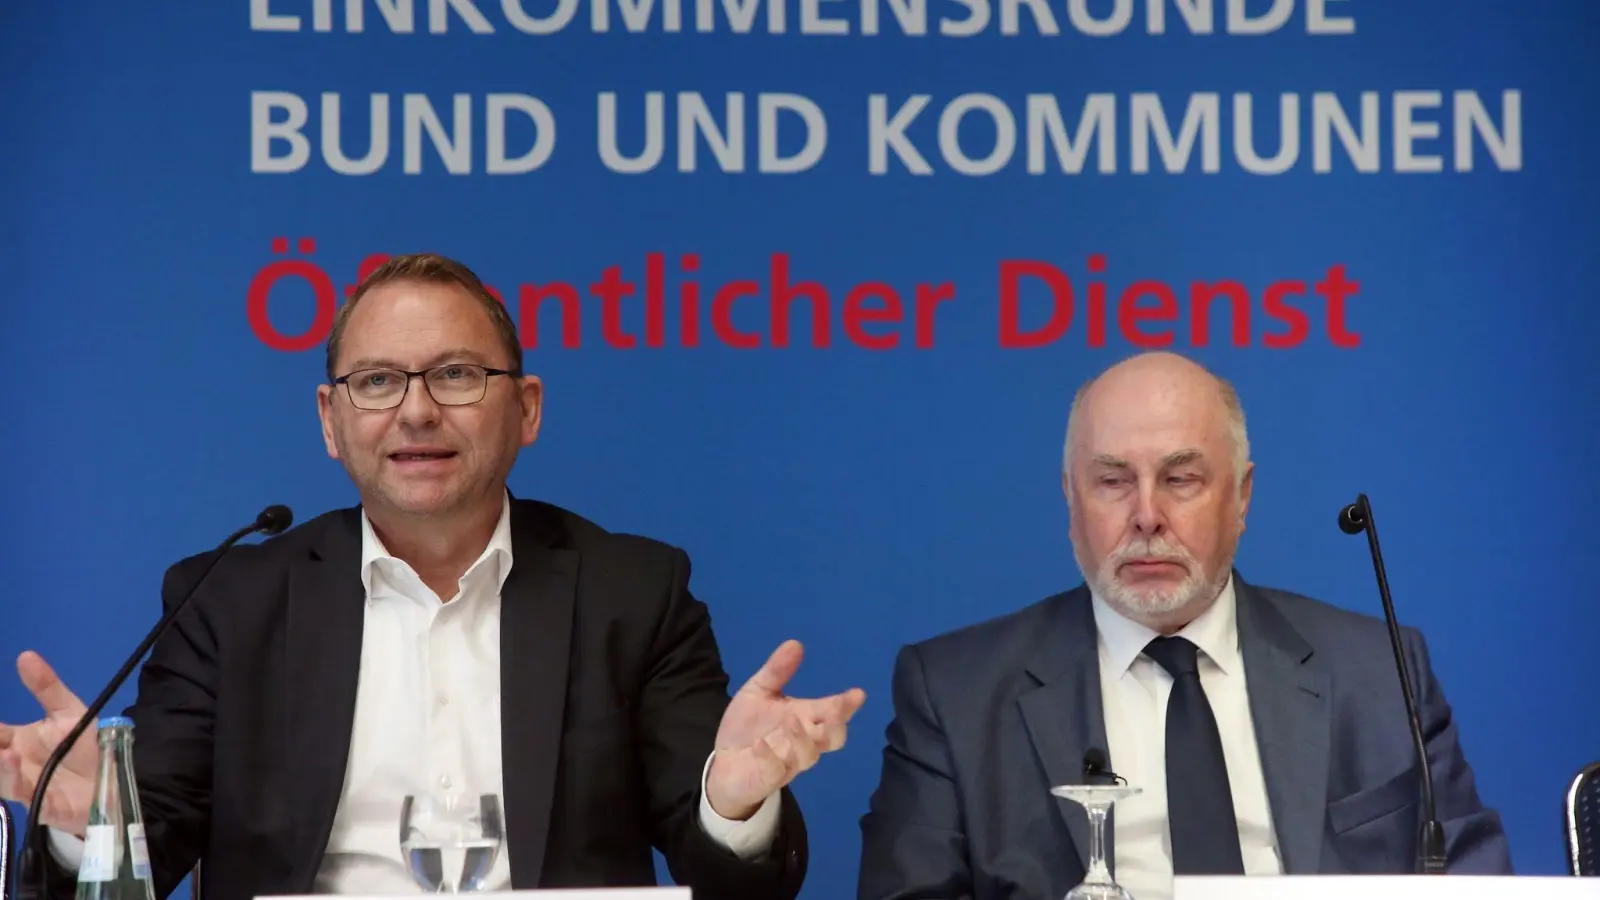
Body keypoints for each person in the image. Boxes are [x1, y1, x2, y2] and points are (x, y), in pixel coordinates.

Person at [1, 252, 866, 900]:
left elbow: (734, 884)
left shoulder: (632, 594)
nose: (416, 409)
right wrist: (91, 827)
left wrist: (730, 803)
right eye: (377, 381)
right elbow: (153, 851)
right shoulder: (228, 600)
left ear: (525, 407)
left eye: (455, 374)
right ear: (332, 422)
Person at [856, 351, 1511, 900]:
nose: (1146, 516)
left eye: (1181, 479)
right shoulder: (956, 693)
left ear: (1242, 496)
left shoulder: (1379, 670)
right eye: (1113, 481)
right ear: (1070, 499)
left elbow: (1474, 879)